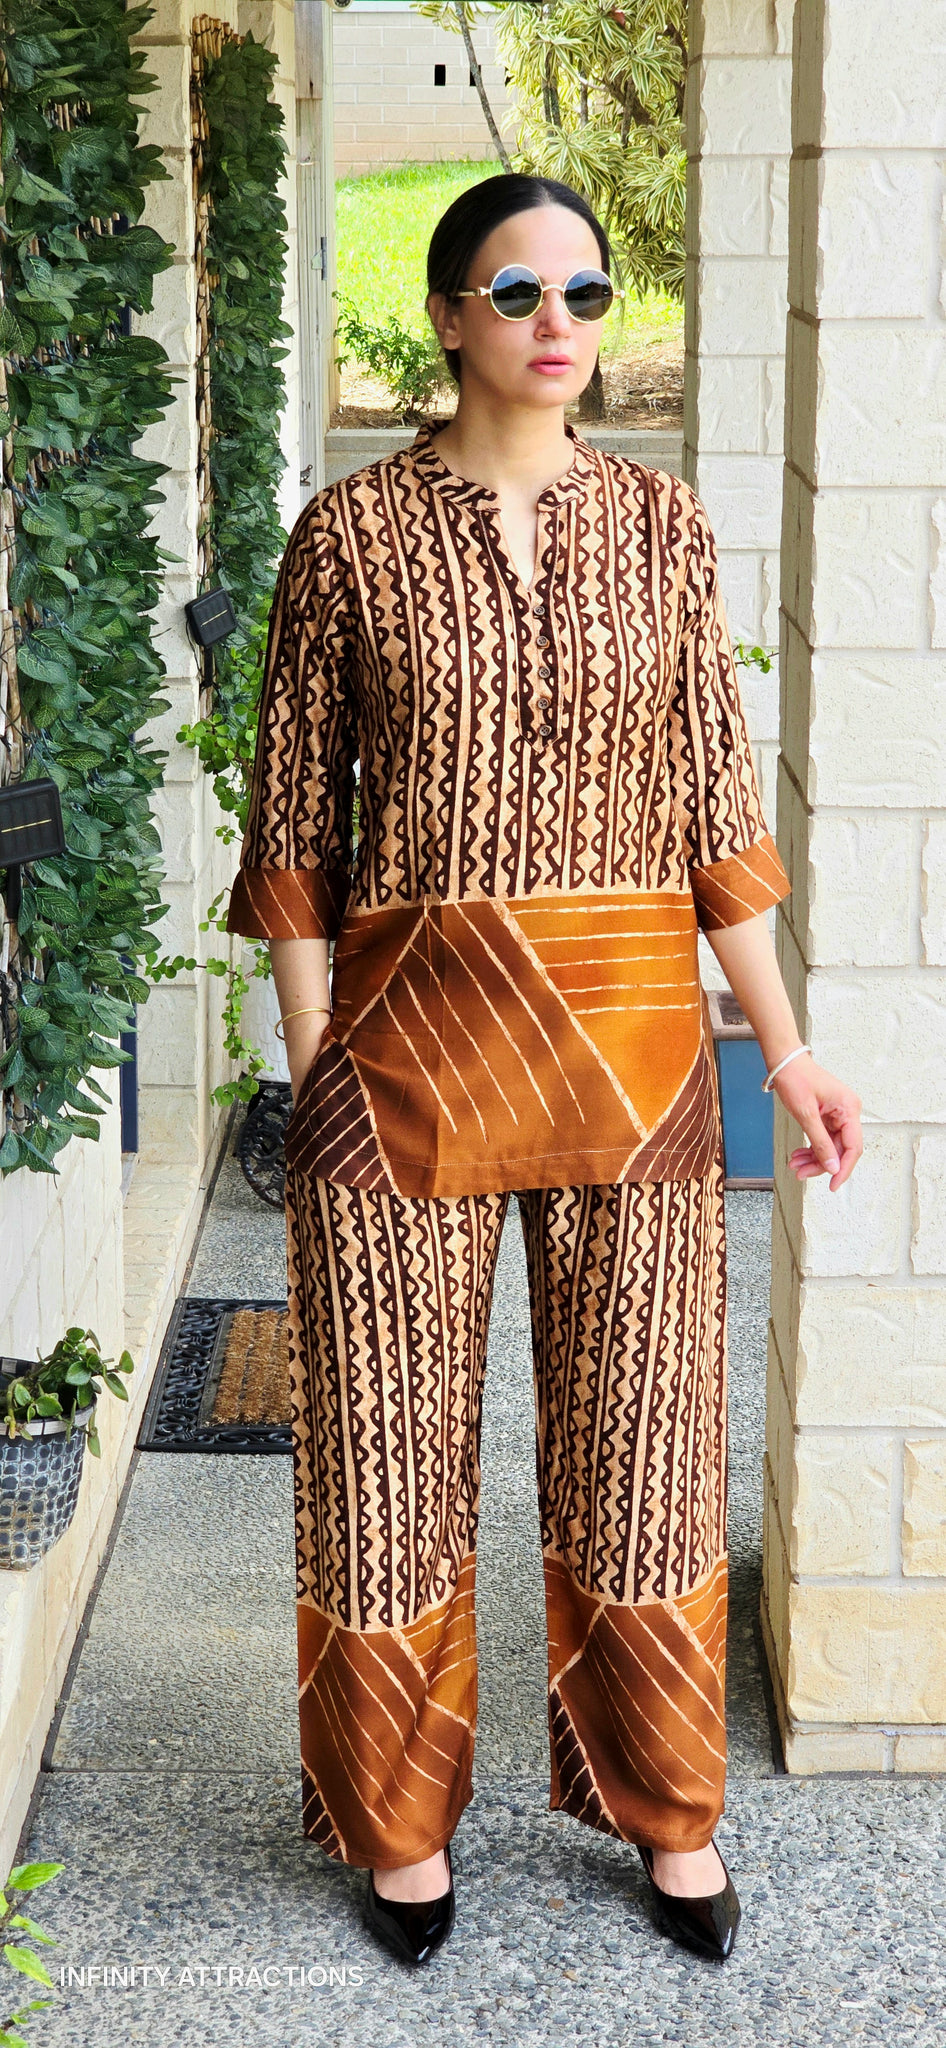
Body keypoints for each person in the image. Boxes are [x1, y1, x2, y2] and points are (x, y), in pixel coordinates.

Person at [225, 174, 863, 1969]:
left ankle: (669, 1815)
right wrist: (314, 1062)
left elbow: (715, 815)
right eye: (516, 291)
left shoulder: (661, 527)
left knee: (645, 1457)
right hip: (401, 1068)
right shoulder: (348, 537)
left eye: (585, 289)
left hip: (634, 1069)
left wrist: (788, 1048)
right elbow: (294, 827)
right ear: (447, 316)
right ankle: (398, 1828)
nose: (557, 320)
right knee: (382, 1458)